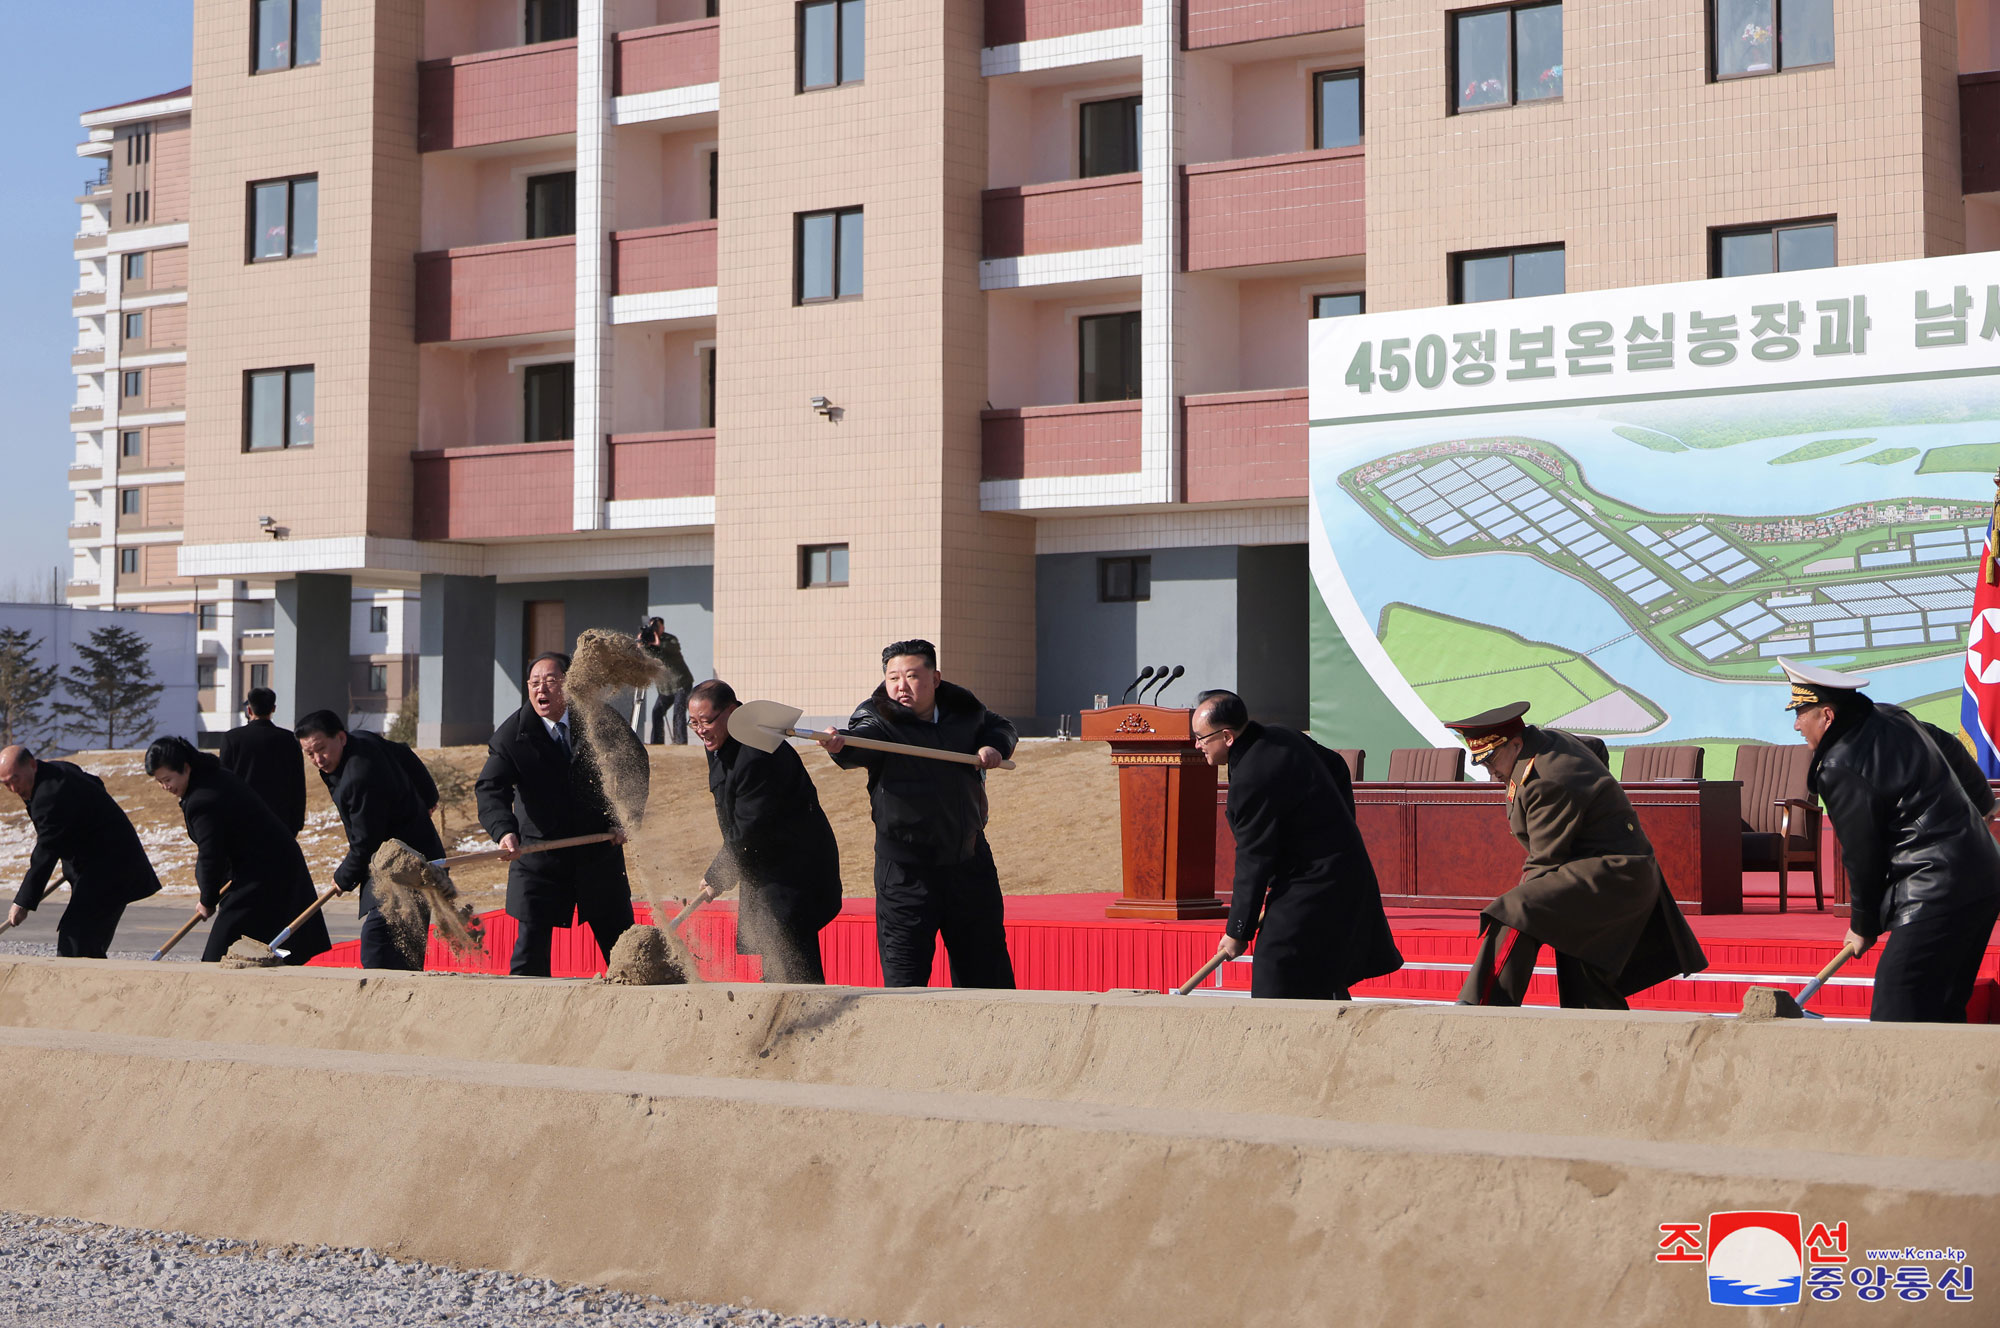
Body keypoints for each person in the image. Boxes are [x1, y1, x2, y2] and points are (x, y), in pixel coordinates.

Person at [1446, 702, 1708, 1010]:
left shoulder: (1546, 777)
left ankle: (1482, 1005)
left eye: (1492, 759)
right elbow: (1595, 748)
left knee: (1516, 910)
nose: (1490, 770)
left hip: (1615, 875)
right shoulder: (1545, 743)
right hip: (1600, 870)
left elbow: (1544, 863)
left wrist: (1530, 900)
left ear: (1516, 743)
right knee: (1586, 985)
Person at [1781, 657, 2000, 1022]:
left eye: (1801, 714)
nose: (1796, 724)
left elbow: (1862, 855)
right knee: (1942, 1009)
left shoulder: (1837, 765)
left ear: (1827, 717)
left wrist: (1862, 925)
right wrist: (1982, 803)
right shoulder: (1893, 716)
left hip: (1936, 889)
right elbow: (1951, 747)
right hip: (1984, 877)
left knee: (1896, 1006)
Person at [819, 639, 1017, 988]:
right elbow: (857, 742)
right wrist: (840, 743)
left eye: (911, 676)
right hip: (906, 873)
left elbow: (1001, 727)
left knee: (988, 977)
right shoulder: (878, 717)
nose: (901, 686)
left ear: (935, 678)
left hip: (968, 862)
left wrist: (993, 746)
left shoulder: (964, 708)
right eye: (893, 677)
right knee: (905, 983)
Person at [1194, 691, 1403, 999]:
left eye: (1201, 738)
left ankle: (1275, 1044)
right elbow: (1338, 767)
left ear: (1226, 736)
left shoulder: (1252, 777)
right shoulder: (1281, 735)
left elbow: (1253, 860)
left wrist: (1237, 932)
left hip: (1313, 881)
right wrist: (1338, 828)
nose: (1196, 745)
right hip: (1334, 869)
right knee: (1317, 965)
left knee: (1275, 961)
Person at [474, 652, 642, 977]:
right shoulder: (512, 736)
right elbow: (490, 789)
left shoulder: (599, 721)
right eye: (535, 683)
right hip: (540, 858)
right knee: (529, 960)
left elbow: (634, 761)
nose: (542, 690)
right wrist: (503, 830)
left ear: (570, 684)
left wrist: (627, 815)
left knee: (627, 955)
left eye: (551, 681)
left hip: (598, 854)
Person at [685, 679, 842, 983]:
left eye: (706, 721)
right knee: (776, 957)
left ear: (731, 711)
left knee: (794, 964)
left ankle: (803, 1020)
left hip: (794, 871)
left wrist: (719, 873)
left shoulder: (756, 753)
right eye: (693, 723)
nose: (701, 730)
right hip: (765, 865)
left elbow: (750, 825)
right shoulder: (722, 740)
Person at [144, 736, 330, 964]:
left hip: (264, 870)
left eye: (168, 779)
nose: (166, 787)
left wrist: (207, 898)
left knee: (224, 945)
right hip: (263, 866)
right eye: (160, 782)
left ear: (185, 767)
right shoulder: (211, 778)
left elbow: (211, 854)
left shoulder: (203, 799)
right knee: (260, 938)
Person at [294, 709, 443, 970]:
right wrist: (428, 797)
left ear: (340, 737)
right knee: (398, 943)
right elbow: (404, 752)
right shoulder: (361, 740)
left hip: (407, 864)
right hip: (393, 856)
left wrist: (343, 877)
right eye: (309, 754)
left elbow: (366, 842)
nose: (317, 759)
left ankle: (391, 1000)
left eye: (321, 749)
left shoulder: (358, 777)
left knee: (379, 942)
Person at [0, 744, 160, 957]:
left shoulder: (50, 794)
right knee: (81, 939)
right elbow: (95, 785)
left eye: (15, 779)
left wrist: (23, 902)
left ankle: (86, 986)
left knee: (77, 939)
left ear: (31, 765)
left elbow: (46, 852)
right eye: (5, 783)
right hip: (97, 866)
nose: (12, 788)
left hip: (112, 868)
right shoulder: (58, 770)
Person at [219, 686, 307, 836]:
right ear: (273, 708)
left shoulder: (232, 738)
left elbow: (222, 783)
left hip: (241, 820)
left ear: (249, 710)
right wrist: (296, 823)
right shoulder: (288, 739)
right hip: (280, 821)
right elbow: (298, 784)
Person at [633, 618, 694, 746]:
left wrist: (657, 642)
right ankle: (657, 742)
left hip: (681, 684)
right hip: (665, 688)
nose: (654, 629)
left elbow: (673, 649)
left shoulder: (670, 640)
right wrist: (640, 644)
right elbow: (642, 657)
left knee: (678, 711)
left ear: (663, 628)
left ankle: (680, 742)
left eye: (657, 626)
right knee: (657, 712)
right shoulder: (649, 644)